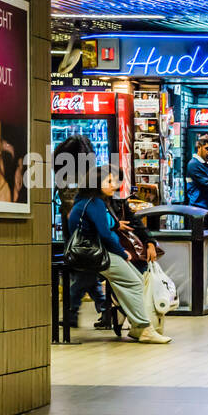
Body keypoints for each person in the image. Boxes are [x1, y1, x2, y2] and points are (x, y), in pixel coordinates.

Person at [67, 165, 172, 344]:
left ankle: (139, 327)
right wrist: (122, 253)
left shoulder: (84, 201)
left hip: (87, 254)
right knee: (134, 281)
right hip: (97, 254)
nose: (114, 184)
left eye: (115, 180)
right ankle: (143, 328)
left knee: (132, 281)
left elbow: (103, 227)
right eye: (109, 181)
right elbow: (105, 234)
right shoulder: (96, 203)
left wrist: (117, 227)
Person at [54, 135, 111, 329]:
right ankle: (104, 310)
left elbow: (65, 200)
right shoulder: (91, 174)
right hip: (86, 225)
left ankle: (74, 312)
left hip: (73, 227)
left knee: (84, 270)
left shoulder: (63, 174)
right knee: (86, 270)